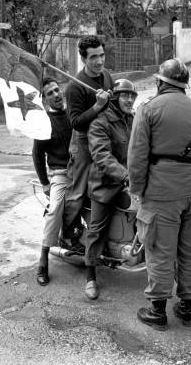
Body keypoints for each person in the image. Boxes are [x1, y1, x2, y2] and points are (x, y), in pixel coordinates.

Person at [128, 58, 191, 330]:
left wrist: (137, 191)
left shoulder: (148, 109)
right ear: (185, 86)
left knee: (160, 251)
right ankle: (187, 307)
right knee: (190, 250)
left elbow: (137, 158)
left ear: (158, 82)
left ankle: (157, 311)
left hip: (163, 191)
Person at [83, 79, 137, 300]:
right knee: (97, 229)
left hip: (130, 181)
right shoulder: (100, 123)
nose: (130, 99)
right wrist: (124, 175)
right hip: (105, 184)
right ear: (114, 97)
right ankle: (91, 277)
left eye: (132, 96)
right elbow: (102, 156)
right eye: (125, 95)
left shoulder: (133, 120)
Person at [63, 36, 114, 241]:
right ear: (84, 59)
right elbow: (75, 123)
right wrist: (97, 106)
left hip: (104, 137)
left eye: (102, 55)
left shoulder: (107, 76)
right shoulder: (75, 86)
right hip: (83, 142)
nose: (99, 61)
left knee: (107, 185)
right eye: (93, 57)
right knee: (77, 194)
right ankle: (67, 236)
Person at [31, 77, 74, 286]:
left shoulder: (73, 114)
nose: (56, 95)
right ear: (45, 99)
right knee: (55, 209)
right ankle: (43, 259)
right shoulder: (44, 122)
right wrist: (45, 183)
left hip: (83, 171)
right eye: (50, 93)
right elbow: (37, 155)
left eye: (57, 90)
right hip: (61, 173)